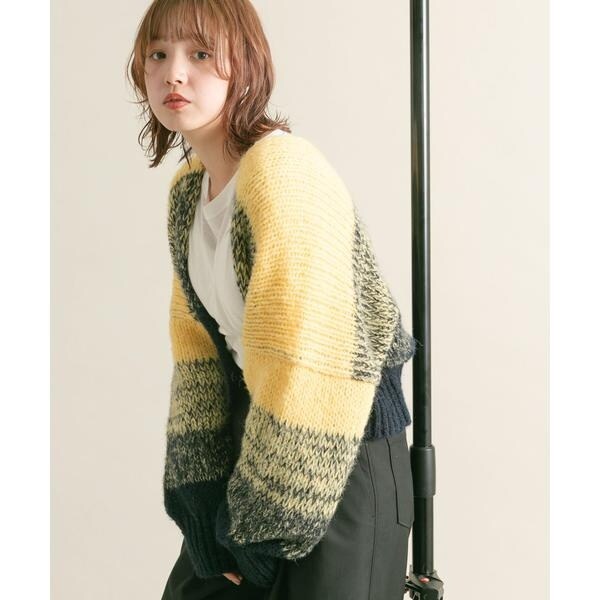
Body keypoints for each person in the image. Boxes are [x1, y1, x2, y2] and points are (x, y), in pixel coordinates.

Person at [126, 1, 419, 598]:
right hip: (263, 443)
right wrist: (201, 502)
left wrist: (258, 534)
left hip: (341, 453)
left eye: (200, 54)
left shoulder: (283, 171)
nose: (173, 73)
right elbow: (197, 356)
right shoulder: (189, 191)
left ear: (244, 64)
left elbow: (313, 365)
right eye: (158, 54)